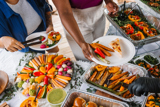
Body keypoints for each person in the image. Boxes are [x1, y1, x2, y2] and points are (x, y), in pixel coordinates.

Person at [52, 0, 118, 61]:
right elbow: (65, 12)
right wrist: (81, 42)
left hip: (99, 16)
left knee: (100, 56)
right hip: (76, 24)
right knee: (87, 61)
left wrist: (108, 1)